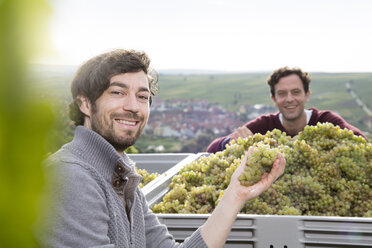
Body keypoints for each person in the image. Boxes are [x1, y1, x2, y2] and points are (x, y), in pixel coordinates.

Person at [38, 49, 285, 248]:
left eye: (142, 97)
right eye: (118, 92)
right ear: (84, 103)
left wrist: (236, 194)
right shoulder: (70, 177)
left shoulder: (120, 174)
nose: (133, 106)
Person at [207, 66, 367, 153]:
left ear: (307, 95)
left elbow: (362, 141)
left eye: (296, 92)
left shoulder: (325, 121)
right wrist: (229, 142)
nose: (289, 99)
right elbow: (212, 148)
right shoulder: (265, 125)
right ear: (274, 100)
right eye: (282, 94)